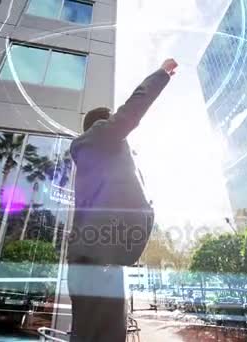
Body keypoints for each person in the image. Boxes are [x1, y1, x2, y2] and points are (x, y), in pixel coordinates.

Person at [67, 59, 178, 341]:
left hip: (99, 255)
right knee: (99, 334)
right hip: (97, 255)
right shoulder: (102, 135)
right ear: (102, 123)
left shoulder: (98, 156)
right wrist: (161, 74)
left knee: (97, 332)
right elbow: (132, 110)